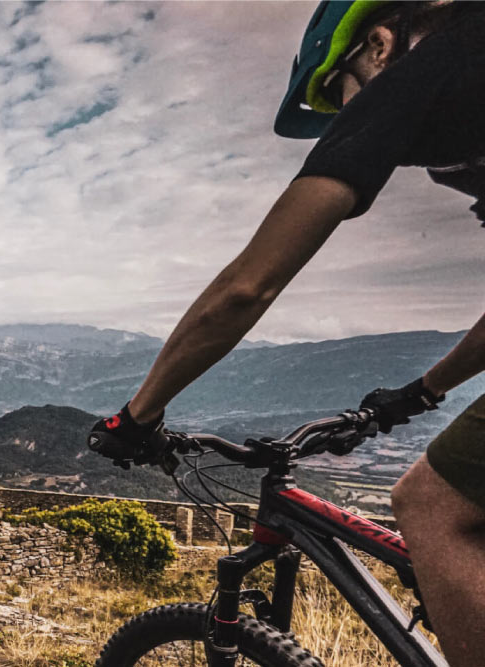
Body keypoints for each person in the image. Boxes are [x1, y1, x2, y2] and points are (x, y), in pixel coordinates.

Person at [87, 2, 485, 665]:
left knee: (430, 502)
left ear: (378, 45)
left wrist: (137, 413)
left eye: (338, 93)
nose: (343, 115)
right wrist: (422, 389)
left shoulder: (429, 64)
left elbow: (248, 285)